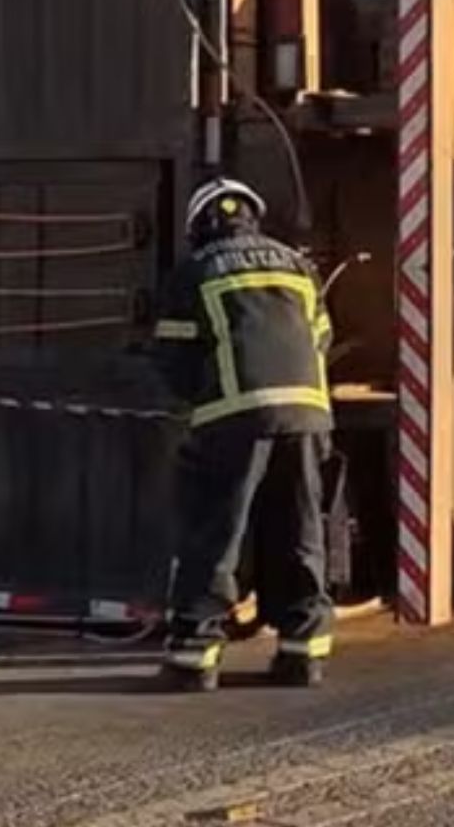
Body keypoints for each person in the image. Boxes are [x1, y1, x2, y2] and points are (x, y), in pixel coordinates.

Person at [146, 176, 334, 692]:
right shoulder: (297, 265)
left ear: (200, 225)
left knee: (215, 534)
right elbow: (322, 336)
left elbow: (174, 355)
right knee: (298, 529)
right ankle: (303, 653)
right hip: (307, 415)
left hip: (236, 418)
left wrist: (196, 404)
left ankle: (194, 658)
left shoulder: (195, 272)